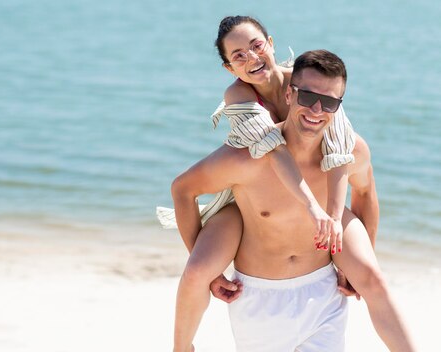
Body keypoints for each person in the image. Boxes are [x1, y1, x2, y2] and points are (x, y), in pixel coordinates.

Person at [172, 50, 414, 351]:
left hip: (324, 294)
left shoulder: (353, 151)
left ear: (339, 106)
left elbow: (365, 193)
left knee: (375, 279)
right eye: (307, 96)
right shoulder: (248, 159)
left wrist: (359, 268)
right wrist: (210, 269)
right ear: (289, 94)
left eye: (329, 102)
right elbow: (182, 188)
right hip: (259, 299)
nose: (316, 109)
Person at [156, 16, 357, 351]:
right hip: (245, 197)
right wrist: (213, 272)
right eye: (238, 56)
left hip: (302, 196)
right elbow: (274, 151)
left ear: (271, 43)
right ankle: (182, 348)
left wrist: (334, 222)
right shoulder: (239, 96)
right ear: (228, 67)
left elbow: (339, 147)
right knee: (196, 273)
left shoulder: (310, 82)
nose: (251, 57)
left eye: (256, 45)